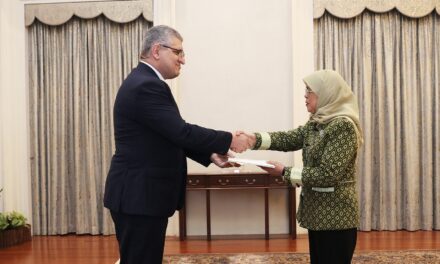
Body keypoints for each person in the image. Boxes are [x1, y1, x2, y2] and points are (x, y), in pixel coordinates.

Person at [103, 25, 248, 264]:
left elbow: (168, 134)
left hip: (140, 196)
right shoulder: (146, 86)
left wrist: (210, 155)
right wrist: (228, 139)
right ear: (157, 50)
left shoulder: (144, 81)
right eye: (178, 52)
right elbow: (181, 131)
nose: (183, 59)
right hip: (139, 196)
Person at [240, 69, 363, 264]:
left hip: (335, 217)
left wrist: (284, 172)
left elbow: (328, 174)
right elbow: (290, 138)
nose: (305, 95)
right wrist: (254, 139)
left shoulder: (343, 126)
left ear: (326, 93)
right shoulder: (318, 122)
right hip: (319, 215)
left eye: (309, 90)